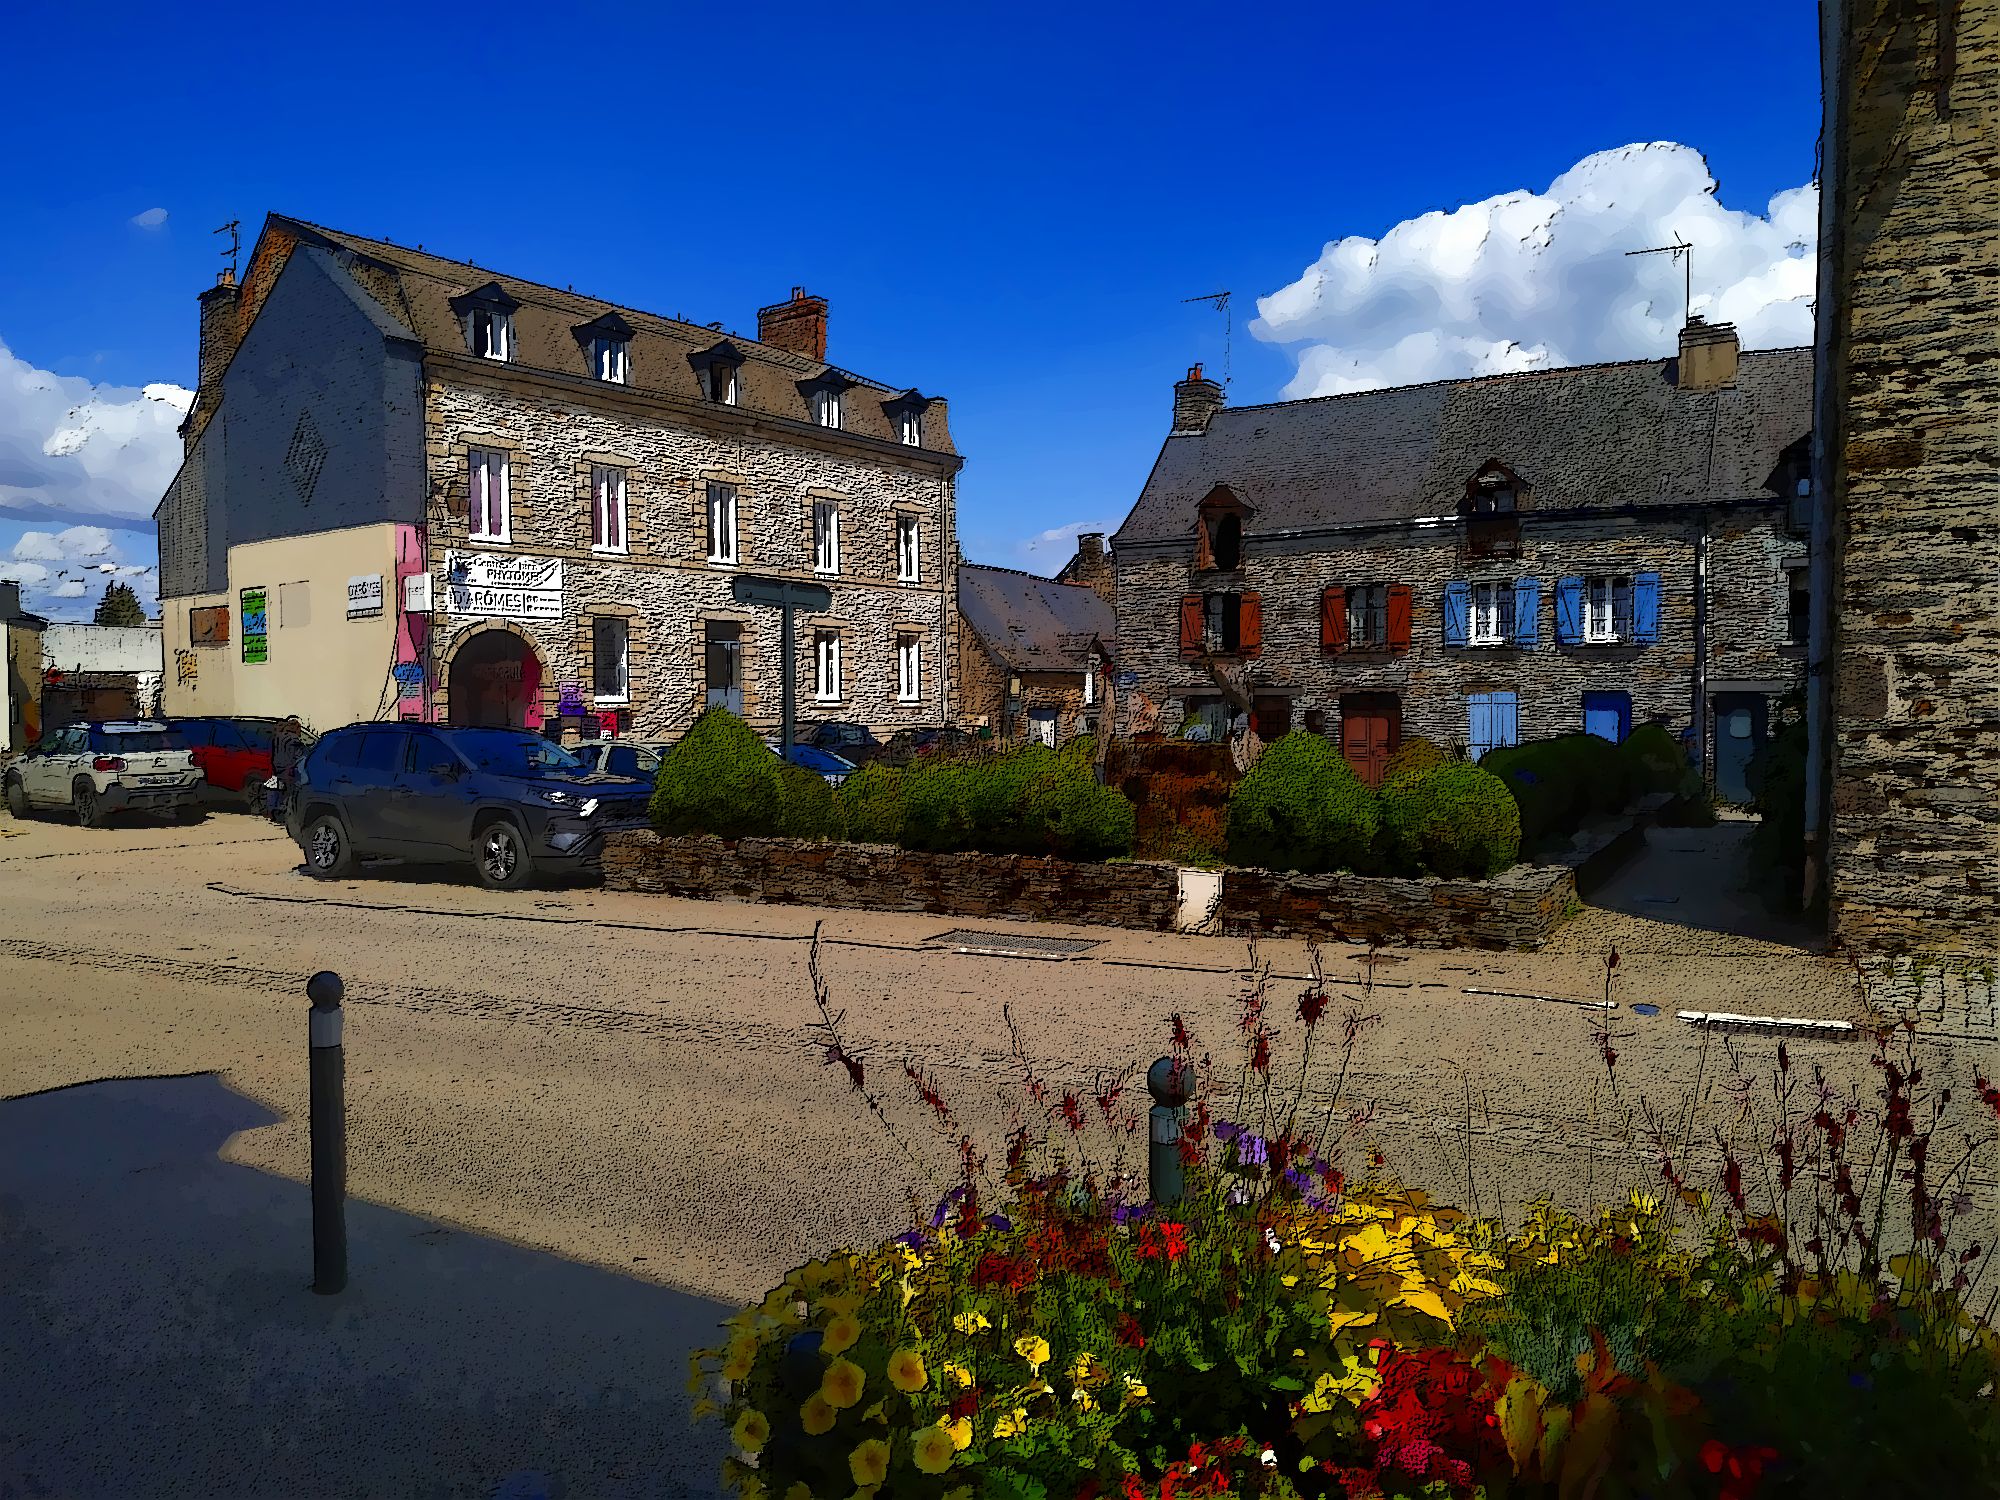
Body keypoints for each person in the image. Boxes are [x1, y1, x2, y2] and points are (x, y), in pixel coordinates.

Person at [268, 715, 305, 820]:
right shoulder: (294, 739)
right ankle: (284, 813)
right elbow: (298, 756)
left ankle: (272, 811)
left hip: (276, 766)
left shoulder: (278, 737)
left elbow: (273, 752)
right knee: (288, 791)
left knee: (276, 789)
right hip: (288, 768)